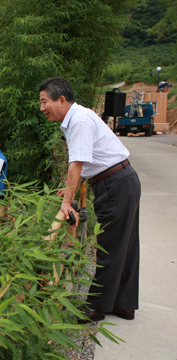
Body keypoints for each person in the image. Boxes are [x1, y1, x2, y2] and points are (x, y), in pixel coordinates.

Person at [37, 76, 141, 323]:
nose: (41, 108)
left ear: (61, 100)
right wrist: (69, 191)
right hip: (120, 181)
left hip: (115, 183)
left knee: (110, 247)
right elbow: (85, 163)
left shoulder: (80, 120)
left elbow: (77, 163)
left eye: (44, 101)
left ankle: (97, 307)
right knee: (123, 246)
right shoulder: (78, 118)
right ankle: (123, 305)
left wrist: (66, 202)